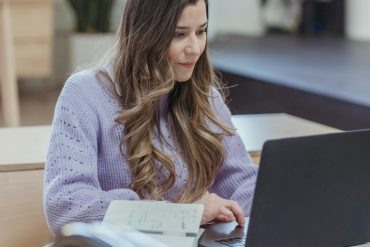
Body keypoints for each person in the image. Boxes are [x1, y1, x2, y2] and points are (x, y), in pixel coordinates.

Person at [44, 0, 258, 234]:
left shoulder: (206, 98)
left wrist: (281, 200)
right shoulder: (84, 94)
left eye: (201, 31)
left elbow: (239, 180)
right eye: (179, 34)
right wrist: (182, 215)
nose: (195, 48)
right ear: (145, 33)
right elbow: (67, 208)